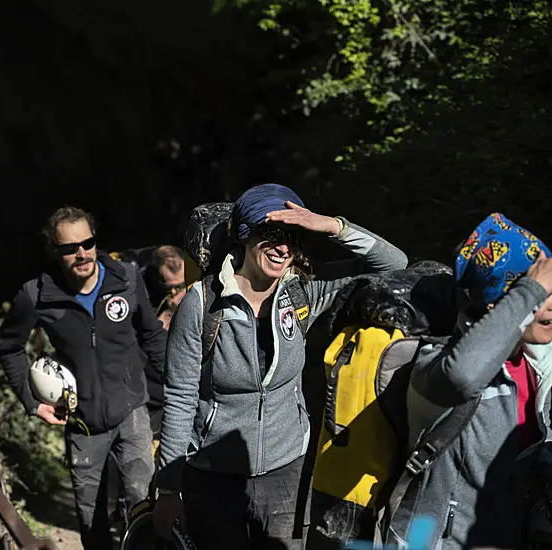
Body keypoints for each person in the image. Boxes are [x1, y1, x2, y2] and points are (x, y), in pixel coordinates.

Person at [153, 184, 409, 550]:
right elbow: (179, 399)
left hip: (287, 470)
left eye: (293, 236)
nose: (283, 247)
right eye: (271, 233)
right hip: (212, 476)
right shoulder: (201, 305)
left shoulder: (303, 292)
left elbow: (394, 263)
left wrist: (331, 226)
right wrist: (168, 489)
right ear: (244, 234)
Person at [388, 212, 552, 549]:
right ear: (503, 301)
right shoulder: (434, 363)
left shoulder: (532, 364)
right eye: (544, 295)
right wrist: (531, 291)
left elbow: (529, 431)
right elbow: (461, 378)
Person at [0, 206, 167, 549]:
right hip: (83, 425)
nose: (81, 253)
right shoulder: (36, 295)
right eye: (69, 248)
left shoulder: (127, 280)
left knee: (143, 507)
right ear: (54, 251)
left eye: (87, 243)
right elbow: (8, 347)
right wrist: (33, 403)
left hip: (132, 412)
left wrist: (177, 387)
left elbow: (152, 336)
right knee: (92, 519)